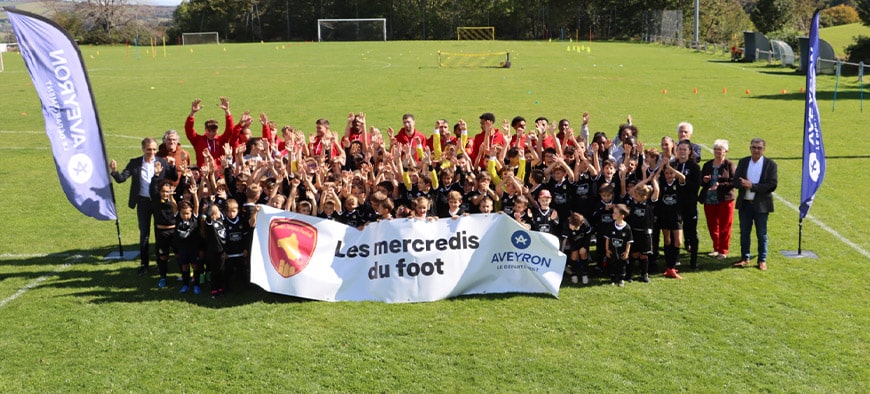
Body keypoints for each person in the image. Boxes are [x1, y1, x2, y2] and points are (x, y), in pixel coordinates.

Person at [110, 137, 178, 275]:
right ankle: (144, 264)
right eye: (149, 149)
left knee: (160, 233)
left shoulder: (162, 162)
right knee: (144, 234)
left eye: (153, 149)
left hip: (159, 203)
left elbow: (174, 177)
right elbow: (122, 179)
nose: (152, 152)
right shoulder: (135, 163)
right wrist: (114, 171)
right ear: (143, 149)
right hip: (143, 202)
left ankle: (161, 263)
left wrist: (172, 166)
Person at [733, 138, 777, 271]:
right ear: (750, 148)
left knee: (761, 233)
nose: (756, 150)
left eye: (759, 148)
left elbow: (772, 185)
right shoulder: (743, 161)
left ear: (764, 149)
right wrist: (742, 184)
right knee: (744, 232)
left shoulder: (770, 164)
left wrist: (752, 186)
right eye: (754, 147)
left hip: (761, 205)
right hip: (745, 204)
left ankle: (762, 260)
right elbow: (735, 181)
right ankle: (744, 257)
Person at [698, 139, 737, 259]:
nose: (717, 152)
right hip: (709, 199)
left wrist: (720, 185)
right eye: (715, 149)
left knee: (725, 225)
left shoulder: (729, 165)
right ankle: (716, 247)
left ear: (726, 151)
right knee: (712, 225)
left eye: (719, 149)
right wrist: (704, 181)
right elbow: (700, 181)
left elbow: (734, 182)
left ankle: (723, 250)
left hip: (725, 199)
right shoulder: (708, 165)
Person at [184, 97, 235, 170]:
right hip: (204, 173)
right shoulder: (198, 140)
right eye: (209, 131)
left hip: (219, 175)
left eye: (214, 131)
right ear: (205, 129)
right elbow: (188, 129)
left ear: (217, 130)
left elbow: (230, 130)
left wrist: (227, 111)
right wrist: (192, 113)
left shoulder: (221, 140)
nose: (211, 133)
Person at [604, 204, 632, 287]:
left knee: (622, 265)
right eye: (613, 212)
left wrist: (627, 252)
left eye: (615, 213)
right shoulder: (611, 226)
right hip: (613, 250)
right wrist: (607, 249)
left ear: (622, 216)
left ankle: (621, 279)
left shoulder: (627, 228)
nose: (613, 214)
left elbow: (629, 241)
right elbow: (607, 238)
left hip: (622, 251)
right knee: (612, 264)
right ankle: (612, 279)